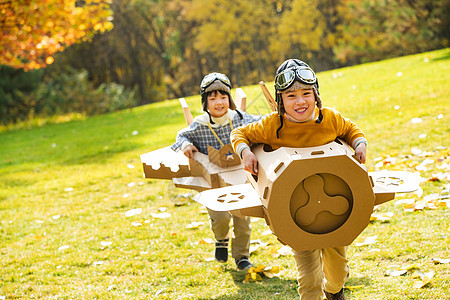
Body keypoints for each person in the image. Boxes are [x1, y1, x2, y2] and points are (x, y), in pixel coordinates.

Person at [230, 59, 367, 300]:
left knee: (337, 272)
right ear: (280, 100)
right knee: (309, 276)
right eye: (291, 96)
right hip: (295, 211)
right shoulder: (272, 125)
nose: (300, 101)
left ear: (316, 95)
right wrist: (245, 152)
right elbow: (240, 133)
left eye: (306, 93)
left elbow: (351, 129)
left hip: (334, 212)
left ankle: (334, 291)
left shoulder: (329, 119)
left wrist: (359, 144)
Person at [171, 72, 261, 271]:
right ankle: (221, 239)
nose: (219, 103)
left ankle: (242, 257)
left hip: (239, 178)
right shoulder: (200, 124)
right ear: (206, 103)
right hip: (213, 182)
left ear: (229, 99)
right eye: (213, 99)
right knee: (220, 218)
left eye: (223, 97)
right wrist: (186, 144)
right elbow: (180, 136)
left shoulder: (239, 118)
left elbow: (262, 122)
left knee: (243, 218)